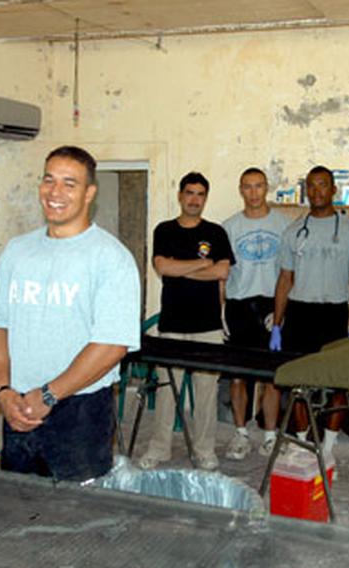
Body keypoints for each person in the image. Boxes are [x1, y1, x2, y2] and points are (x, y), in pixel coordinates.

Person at [0, 146, 140, 481]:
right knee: (18, 508)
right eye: (49, 180)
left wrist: (51, 393)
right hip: (18, 406)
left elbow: (112, 345)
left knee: (77, 519)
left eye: (70, 183)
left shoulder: (111, 258)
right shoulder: (17, 250)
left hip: (79, 410)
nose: (56, 192)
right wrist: (4, 391)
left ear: (89, 193)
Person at [270, 165, 349, 456]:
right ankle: (302, 444)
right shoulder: (293, 232)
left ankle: (327, 447)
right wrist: (277, 324)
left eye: (323, 185)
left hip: (334, 314)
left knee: (336, 383)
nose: (316, 192)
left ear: (333, 190)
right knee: (298, 383)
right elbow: (284, 280)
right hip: (299, 314)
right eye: (311, 186)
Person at [139, 172, 235, 471]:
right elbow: (162, 266)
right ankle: (159, 448)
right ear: (180, 195)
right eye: (190, 193)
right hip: (172, 325)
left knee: (206, 394)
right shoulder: (164, 230)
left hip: (208, 326)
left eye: (200, 194)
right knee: (168, 391)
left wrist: (182, 270)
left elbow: (221, 272)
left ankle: (204, 450)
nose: (195, 199)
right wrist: (200, 264)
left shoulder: (216, 232)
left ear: (205, 198)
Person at [221, 167, 291, 460]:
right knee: (237, 376)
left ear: (267, 189)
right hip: (239, 306)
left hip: (271, 306)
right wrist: (221, 311)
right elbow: (222, 274)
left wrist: (282, 312)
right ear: (241, 189)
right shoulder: (229, 227)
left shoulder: (285, 225)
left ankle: (271, 435)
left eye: (259, 186)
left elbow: (291, 273)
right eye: (247, 187)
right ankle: (240, 433)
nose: (253, 193)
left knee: (271, 377)